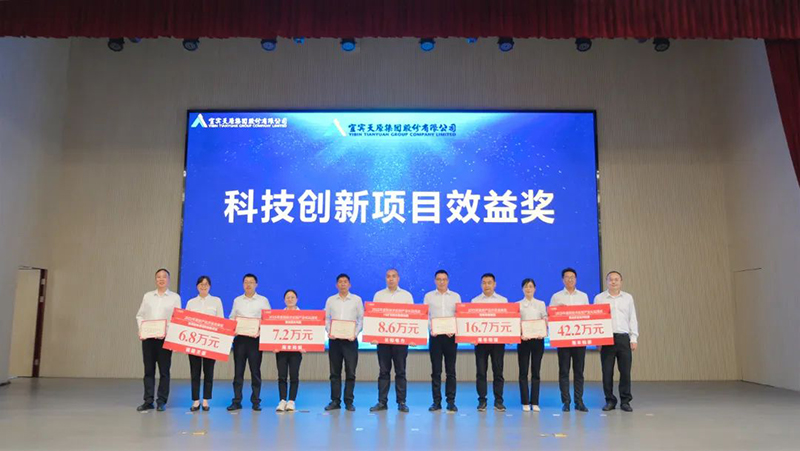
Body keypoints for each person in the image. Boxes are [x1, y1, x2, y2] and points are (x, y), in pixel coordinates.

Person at [135, 268, 181, 411]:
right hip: (148, 338)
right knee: (148, 370)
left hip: (164, 339)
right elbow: (140, 315)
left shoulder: (175, 298)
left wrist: (167, 332)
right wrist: (142, 329)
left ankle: (161, 401)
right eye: (158, 277)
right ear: (155, 279)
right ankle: (148, 400)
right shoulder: (148, 296)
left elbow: (177, 319)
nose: (161, 279)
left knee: (164, 371)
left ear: (168, 280)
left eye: (164, 277)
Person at [370, 269, 414, 413]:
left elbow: (412, 317)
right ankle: (382, 402)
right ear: (385, 279)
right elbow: (373, 317)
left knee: (400, 372)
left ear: (398, 278)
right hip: (383, 341)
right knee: (383, 372)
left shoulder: (406, 296)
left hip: (400, 341)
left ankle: (402, 402)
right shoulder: (378, 295)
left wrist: (412, 337)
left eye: (393, 276)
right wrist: (372, 335)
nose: (391, 279)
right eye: (388, 276)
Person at [595, 271, 639, 412]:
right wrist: (598, 340)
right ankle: (610, 400)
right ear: (606, 281)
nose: (613, 282)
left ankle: (625, 401)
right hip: (606, 338)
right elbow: (596, 320)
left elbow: (632, 318)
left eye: (616, 279)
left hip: (624, 338)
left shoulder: (628, 298)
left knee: (625, 372)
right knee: (607, 372)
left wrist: (634, 338)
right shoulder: (599, 298)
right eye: (610, 279)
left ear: (621, 281)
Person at [227, 273, 271, 412]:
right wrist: (233, 327)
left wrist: (260, 330)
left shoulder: (263, 300)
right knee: (238, 371)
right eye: (246, 282)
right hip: (240, 340)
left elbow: (268, 319)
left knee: (255, 371)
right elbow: (232, 317)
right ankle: (237, 400)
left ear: (256, 284)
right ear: (243, 284)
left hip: (255, 340)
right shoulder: (237, 300)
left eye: (251, 282)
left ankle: (256, 401)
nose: (248, 284)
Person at [550, 267, 590, 412]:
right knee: (564, 371)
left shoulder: (583, 296)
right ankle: (566, 401)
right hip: (563, 340)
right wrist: (558, 310)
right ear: (563, 280)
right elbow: (551, 317)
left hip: (579, 340)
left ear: (576, 279)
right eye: (567, 277)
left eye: (572, 277)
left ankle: (579, 401)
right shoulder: (556, 297)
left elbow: (588, 316)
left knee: (579, 372)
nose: (570, 279)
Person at [324, 273, 364, 412]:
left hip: (350, 341)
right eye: (340, 282)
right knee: (334, 372)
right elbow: (326, 318)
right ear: (337, 285)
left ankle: (349, 401)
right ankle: (335, 401)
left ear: (349, 284)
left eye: (345, 281)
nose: (343, 284)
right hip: (334, 341)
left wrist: (355, 334)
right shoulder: (330, 300)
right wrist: (329, 331)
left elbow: (361, 319)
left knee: (350, 372)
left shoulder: (356, 300)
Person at [423, 269, 461, 412]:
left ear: (448, 281)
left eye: (444, 279)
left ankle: (451, 402)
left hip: (451, 337)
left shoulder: (456, 296)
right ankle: (436, 402)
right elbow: (426, 316)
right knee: (436, 371)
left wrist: (454, 328)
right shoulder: (429, 296)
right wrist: (431, 328)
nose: (441, 282)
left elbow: (459, 315)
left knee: (451, 371)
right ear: (435, 281)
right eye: (439, 279)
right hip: (435, 337)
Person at [185, 275, 224, 412]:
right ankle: (196, 400)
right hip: (194, 342)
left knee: (209, 372)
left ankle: (206, 400)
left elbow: (221, 320)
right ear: (197, 286)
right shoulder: (191, 302)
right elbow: (186, 321)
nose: (203, 286)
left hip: (210, 343)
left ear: (210, 286)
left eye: (206, 284)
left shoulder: (216, 301)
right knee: (195, 372)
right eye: (201, 284)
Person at [471, 273, 508, 412]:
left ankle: (499, 401)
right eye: (484, 283)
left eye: (489, 282)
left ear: (494, 284)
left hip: (497, 342)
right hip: (480, 343)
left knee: (498, 371)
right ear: (481, 284)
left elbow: (507, 320)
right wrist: (472, 337)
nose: (486, 285)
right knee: (481, 372)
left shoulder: (503, 301)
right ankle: (482, 400)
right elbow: (471, 321)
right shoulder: (475, 301)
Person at [517, 278, 547, 412]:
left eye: (530, 286)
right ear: (522, 289)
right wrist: (520, 333)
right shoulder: (518, 305)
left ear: (535, 289)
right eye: (525, 286)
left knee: (536, 371)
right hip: (523, 341)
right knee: (523, 372)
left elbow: (545, 319)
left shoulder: (541, 304)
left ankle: (535, 402)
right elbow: (515, 323)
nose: (528, 289)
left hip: (538, 341)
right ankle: (524, 402)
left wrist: (543, 330)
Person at [275, 289, 303, 412]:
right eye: (287, 297)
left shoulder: (303, 316)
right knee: (281, 376)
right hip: (281, 350)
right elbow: (273, 331)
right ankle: (282, 400)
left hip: (296, 350)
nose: (290, 299)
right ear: (284, 300)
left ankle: (291, 401)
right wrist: (273, 345)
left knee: (294, 376)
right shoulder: (278, 316)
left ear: (297, 299)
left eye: (292, 297)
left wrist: (306, 346)